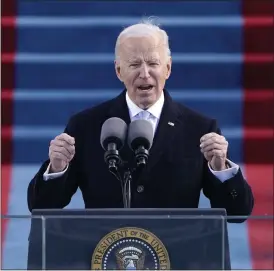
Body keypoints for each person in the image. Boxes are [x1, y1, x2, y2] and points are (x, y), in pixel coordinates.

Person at [27, 20, 254, 220]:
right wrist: (57, 168)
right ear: (118, 71)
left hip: (177, 260)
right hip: (105, 260)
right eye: (134, 64)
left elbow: (236, 212)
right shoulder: (86, 126)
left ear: (168, 68)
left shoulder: (200, 129)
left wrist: (220, 169)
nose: (145, 73)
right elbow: (42, 207)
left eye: (153, 63)